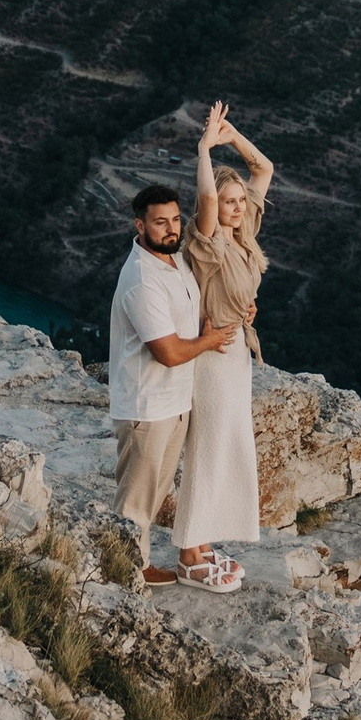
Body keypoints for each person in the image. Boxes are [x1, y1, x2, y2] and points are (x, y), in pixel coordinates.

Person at [108, 178, 241, 589]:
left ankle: (136, 563)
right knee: (136, 498)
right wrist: (211, 341)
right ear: (139, 226)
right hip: (147, 405)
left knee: (155, 489)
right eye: (159, 222)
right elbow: (166, 352)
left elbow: (199, 301)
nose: (170, 228)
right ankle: (123, 569)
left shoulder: (176, 260)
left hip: (174, 401)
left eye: (175, 220)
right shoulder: (141, 279)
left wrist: (240, 306)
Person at [178, 99, 273, 560]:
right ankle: (188, 552)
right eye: (230, 202)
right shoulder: (209, 239)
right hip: (211, 357)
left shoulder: (243, 233)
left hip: (237, 353)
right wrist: (204, 152)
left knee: (227, 443)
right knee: (209, 447)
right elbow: (209, 200)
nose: (236, 207)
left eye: (240, 201)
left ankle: (203, 540)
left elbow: (264, 168)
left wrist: (232, 136)